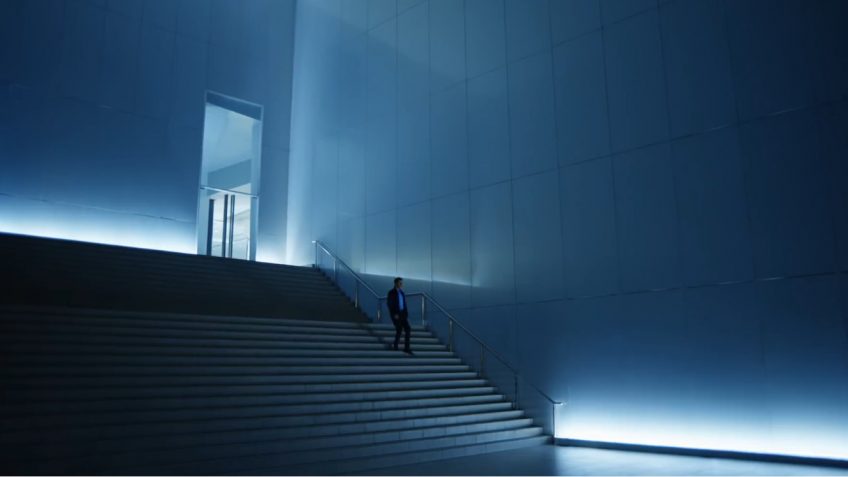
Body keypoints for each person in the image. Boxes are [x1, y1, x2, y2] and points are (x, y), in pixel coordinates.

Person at [386, 277, 412, 355]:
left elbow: (404, 304)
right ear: (396, 283)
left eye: (402, 283)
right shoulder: (391, 292)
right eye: (400, 283)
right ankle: (395, 345)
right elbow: (390, 304)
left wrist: (406, 313)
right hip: (396, 314)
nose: (401, 284)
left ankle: (406, 348)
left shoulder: (402, 293)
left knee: (408, 328)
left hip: (403, 314)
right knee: (399, 329)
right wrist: (394, 314)